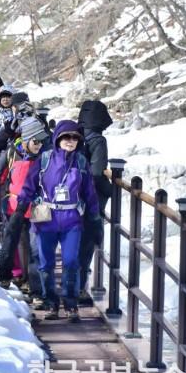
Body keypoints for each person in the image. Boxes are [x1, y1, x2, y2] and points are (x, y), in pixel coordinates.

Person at [17, 120, 102, 322]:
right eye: (66, 137)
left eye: (74, 138)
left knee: (71, 262)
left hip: (72, 219)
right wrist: (21, 206)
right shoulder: (44, 160)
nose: (70, 141)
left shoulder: (81, 163)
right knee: (45, 264)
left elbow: (89, 193)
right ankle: (51, 303)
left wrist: (95, 217)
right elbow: (29, 185)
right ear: (58, 138)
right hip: (46, 217)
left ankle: (71, 304)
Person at [0, 117, 49, 301]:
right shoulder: (11, 153)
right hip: (14, 208)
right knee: (10, 243)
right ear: (25, 139)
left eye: (42, 141)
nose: (39, 145)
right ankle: (4, 276)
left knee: (35, 249)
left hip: (36, 209)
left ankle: (36, 290)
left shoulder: (45, 157)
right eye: (35, 141)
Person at [76, 100, 113, 305]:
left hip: (71, 198)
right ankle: (79, 290)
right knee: (87, 243)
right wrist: (110, 190)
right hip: (89, 200)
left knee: (73, 243)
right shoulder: (97, 140)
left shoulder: (75, 134)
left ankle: (70, 285)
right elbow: (98, 172)